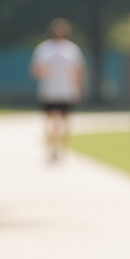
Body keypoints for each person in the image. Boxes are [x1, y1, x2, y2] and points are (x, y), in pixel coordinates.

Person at [30, 18, 85, 162]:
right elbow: (36, 70)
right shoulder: (44, 49)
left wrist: (77, 88)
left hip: (67, 90)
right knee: (52, 120)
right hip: (49, 91)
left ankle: (63, 148)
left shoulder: (72, 49)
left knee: (65, 122)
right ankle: (52, 148)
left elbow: (77, 71)